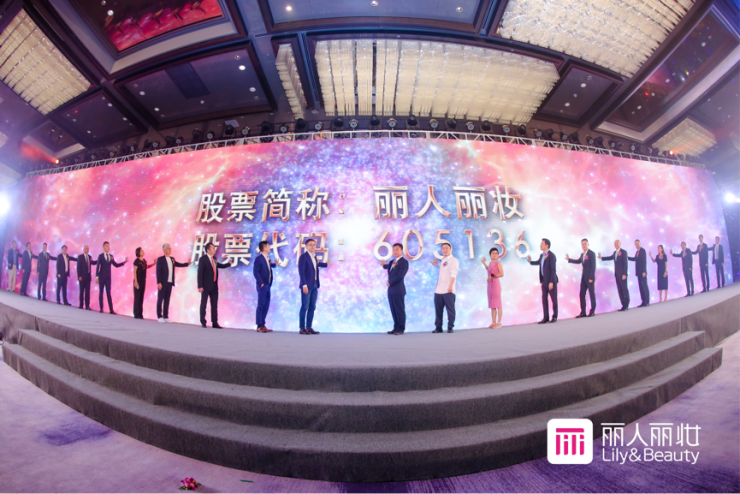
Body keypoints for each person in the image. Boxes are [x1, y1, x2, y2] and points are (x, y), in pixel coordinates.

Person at [298, 238, 330, 335]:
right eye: (310, 244)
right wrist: (304, 285)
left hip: (315, 284)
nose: (312, 246)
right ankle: (302, 327)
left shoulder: (314, 256)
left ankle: (309, 327)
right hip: (307, 285)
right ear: (306, 246)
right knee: (305, 306)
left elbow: (316, 265)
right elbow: (301, 272)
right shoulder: (303, 257)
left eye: (314, 244)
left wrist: (326, 264)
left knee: (312, 306)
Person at [197, 242, 230, 328]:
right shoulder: (203, 259)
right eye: (213, 248)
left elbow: (219, 265)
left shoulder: (214, 259)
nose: (214, 250)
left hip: (214, 286)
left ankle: (214, 322)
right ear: (208, 250)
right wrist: (200, 285)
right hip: (205, 286)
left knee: (214, 305)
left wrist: (228, 264)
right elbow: (200, 273)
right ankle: (203, 321)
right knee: (204, 303)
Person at [156, 243, 190, 323]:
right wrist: (159, 282)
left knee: (167, 300)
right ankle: (159, 316)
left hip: (170, 282)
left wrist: (187, 264)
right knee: (160, 299)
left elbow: (177, 264)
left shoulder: (172, 259)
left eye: (170, 248)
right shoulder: (160, 259)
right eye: (168, 248)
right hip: (163, 282)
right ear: (164, 250)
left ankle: (165, 316)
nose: (170, 250)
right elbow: (158, 271)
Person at [527, 238, 558, 324]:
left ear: (547, 245)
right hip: (544, 281)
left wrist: (551, 282)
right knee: (544, 299)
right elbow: (539, 262)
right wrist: (530, 262)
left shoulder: (551, 255)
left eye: (542, 244)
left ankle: (554, 317)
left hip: (551, 281)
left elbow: (553, 270)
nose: (540, 245)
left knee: (554, 299)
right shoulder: (542, 255)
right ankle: (546, 317)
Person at [382, 243, 409, 335]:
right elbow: (390, 268)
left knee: (399, 309)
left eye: (397, 249)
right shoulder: (392, 261)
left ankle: (401, 328)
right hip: (391, 290)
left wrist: (391, 282)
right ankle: (396, 327)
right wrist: (383, 265)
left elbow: (400, 275)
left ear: (401, 251)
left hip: (398, 289)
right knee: (393, 310)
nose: (395, 251)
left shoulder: (404, 262)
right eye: (394, 250)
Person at [432, 242, 459, 333]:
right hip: (438, 290)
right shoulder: (443, 260)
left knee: (450, 310)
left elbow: (454, 274)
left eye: (447, 248)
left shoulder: (453, 260)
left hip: (448, 290)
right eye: (443, 248)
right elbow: (442, 267)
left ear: (450, 249)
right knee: (438, 310)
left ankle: (450, 326)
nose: (445, 250)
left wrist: (451, 286)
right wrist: (435, 264)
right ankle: (438, 327)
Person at [565, 238, 596, 318]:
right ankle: (583, 312)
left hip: (590, 277)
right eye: (582, 244)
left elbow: (593, 266)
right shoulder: (582, 254)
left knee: (591, 294)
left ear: (588, 244)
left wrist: (591, 277)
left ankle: (592, 311)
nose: (584, 245)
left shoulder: (591, 253)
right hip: (584, 277)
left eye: (585, 243)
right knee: (582, 294)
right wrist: (569, 259)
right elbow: (579, 261)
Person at [96, 241, 127, 314]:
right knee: (101, 292)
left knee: (108, 293)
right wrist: (97, 276)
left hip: (108, 278)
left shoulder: (111, 256)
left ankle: (111, 310)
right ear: (103, 247)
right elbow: (98, 266)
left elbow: (116, 265)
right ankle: (101, 308)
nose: (108, 247)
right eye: (106, 246)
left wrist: (124, 262)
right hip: (101, 277)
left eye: (108, 246)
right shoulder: (100, 256)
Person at [598, 240, 630, 311]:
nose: (616, 244)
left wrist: (624, 274)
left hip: (622, 274)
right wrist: (601, 257)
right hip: (617, 274)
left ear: (620, 244)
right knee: (620, 290)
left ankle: (626, 304)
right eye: (615, 243)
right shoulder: (615, 253)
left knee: (624, 289)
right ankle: (623, 305)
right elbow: (610, 257)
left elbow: (625, 263)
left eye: (617, 243)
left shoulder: (623, 252)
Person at [253, 240, 276, 333]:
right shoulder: (259, 258)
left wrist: (274, 264)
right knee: (261, 305)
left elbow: (268, 267)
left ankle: (263, 324)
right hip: (262, 285)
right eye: (268, 246)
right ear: (264, 248)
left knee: (266, 305)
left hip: (268, 284)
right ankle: (259, 326)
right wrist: (261, 282)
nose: (270, 247)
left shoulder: (267, 258)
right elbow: (255, 271)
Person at [481, 247, 504, 328]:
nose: (494, 254)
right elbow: (489, 270)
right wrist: (484, 263)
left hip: (496, 284)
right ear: (490, 254)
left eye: (496, 253)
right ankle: (493, 322)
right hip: (490, 285)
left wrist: (492, 276)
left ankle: (499, 322)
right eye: (493, 253)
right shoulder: (491, 263)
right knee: (492, 304)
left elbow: (501, 274)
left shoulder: (498, 263)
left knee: (498, 304)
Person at [133, 247, 155, 319]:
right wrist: (136, 281)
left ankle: (140, 313)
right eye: (141, 251)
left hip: (143, 280)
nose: (143, 252)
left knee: (141, 297)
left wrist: (153, 263)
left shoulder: (144, 261)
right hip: (138, 280)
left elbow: (146, 267)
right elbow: (135, 271)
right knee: (137, 297)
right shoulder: (136, 261)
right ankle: (136, 313)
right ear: (138, 253)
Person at [628, 239, 650, 307]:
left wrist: (644, 271)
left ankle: (646, 301)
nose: (637, 245)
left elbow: (644, 261)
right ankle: (643, 301)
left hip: (642, 272)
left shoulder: (642, 251)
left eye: (638, 243)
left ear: (640, 244)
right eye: (636, 244)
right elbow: (635, 259)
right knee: (641, 287)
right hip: (638, 272)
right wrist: (628, 257)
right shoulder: (637, 252)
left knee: (644, 286)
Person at [76, 245, 97, 310]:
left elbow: (93, 263)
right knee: (81, 291)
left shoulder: (89, 257)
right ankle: (81, 305)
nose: (87, 250)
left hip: (88, 277)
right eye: (86, 249)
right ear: (83, 249)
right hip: (82, 277)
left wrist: (98, 260)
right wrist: (79, 276)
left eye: (88, 249)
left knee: (87, 292)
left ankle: (87, 305)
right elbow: (78, 267)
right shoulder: (80, 257)